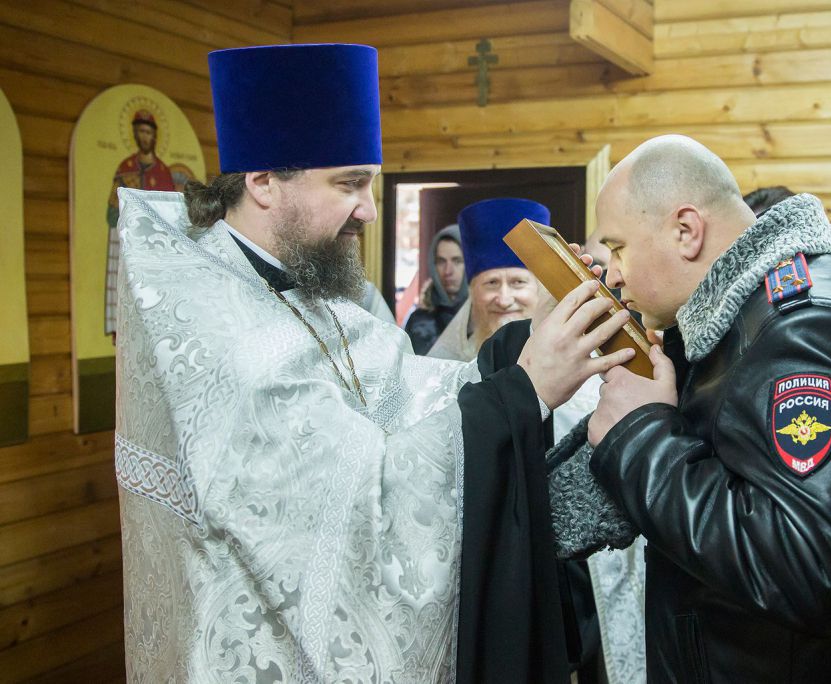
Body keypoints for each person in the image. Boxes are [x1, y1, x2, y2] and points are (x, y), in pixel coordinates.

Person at [113, 43, 635, 682]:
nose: (369, 209)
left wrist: (534, 343)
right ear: (263, 182)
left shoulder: (299, 293)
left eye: (370, 183)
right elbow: (358, 514)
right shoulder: (225, 332)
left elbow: (414, 392)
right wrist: (524, 391)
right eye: (349, 184)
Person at [548, 134, 831, 682]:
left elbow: (815, 570)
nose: (612, 273)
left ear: (686, 230)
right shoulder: (735, 317)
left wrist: (639, 436)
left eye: (618, 248)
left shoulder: (810, 328)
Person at [428, 197, 545, 361]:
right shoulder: (450, 367)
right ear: (472, 294)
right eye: (492, 283)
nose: (504, 301)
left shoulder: (570, 361)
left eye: (518, 282)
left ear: (541, 289)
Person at [104, 110, 184, 337]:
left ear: (155, 136)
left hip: (156, 249)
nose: (145, 137)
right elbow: (111, 214)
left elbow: (171, 216)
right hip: (130, 246)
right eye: (141, 131)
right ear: (134, 134)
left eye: (148, 132)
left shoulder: (163, 172)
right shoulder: (125, 168)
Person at [404, 224, 467, 353]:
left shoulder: (484, 319)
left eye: (457, 261)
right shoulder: (419, 321)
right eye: (441, 261)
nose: (448, 271)